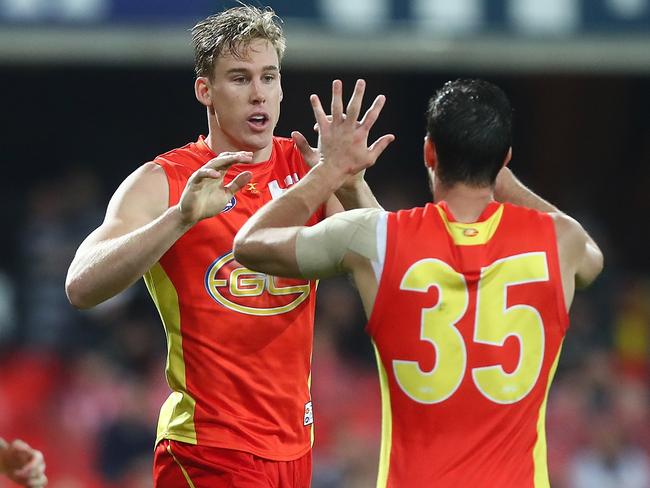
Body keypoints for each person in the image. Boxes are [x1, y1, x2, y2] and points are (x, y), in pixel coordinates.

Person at [65, 5, 386, 487]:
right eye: (239, 78)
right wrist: (181, 217)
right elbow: (81, 286)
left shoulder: (305, 170)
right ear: (205, 91)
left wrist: (350, 182)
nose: (258, 93)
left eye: (268, 77)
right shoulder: (167, 181)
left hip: (294, 449)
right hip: (207, 449)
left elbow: (387, 267)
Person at [234, 78, 604, 487]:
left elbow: (249, 244)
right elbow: (592, 258)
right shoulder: (561, 243)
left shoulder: (377, 239)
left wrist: (329, 173)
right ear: (505, 159)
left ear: (429, 151)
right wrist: (504, 180)